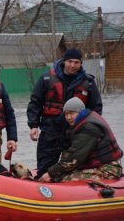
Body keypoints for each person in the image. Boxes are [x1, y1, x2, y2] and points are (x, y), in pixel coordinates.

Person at [27, 48, 103, 179]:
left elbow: (96, 110)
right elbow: (35, 102)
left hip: (75, 133)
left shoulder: (88, 82)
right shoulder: (46, 78)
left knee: (74, 168)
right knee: (44, 168)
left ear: (81, 64)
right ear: (64, 61)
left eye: (76, 62)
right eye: (70, 61)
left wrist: (90, 132)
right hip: (50, 132)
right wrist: (33, 125)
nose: (73, 65)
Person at [38, 97, 123, 182]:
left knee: (62, 179)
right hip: (99, 166)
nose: (68, 117)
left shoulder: (88, 127)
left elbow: (73, 159)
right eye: (66, 114)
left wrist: (50, 173)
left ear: (80, 111)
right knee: (59, 174)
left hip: (108, 170)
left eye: (72, 113)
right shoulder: (86, 119)